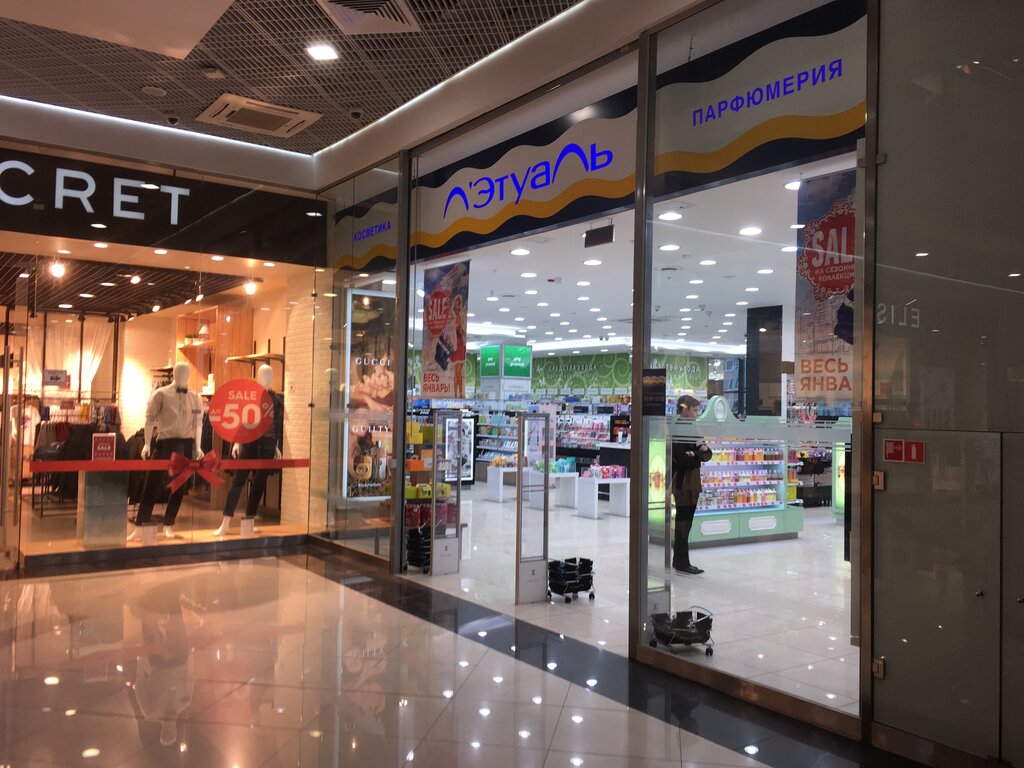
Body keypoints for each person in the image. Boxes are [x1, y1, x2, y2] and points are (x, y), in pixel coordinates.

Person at [671, 395, 711, 575]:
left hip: (693, 481)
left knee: (687, 521)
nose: (697, 414)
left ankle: (680, 560)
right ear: (685, 409)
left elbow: (707, 453)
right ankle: (681, 561)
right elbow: (680, 458)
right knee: (683, 521)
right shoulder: (676, 429)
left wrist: (695, 454)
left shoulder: (694, 428)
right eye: (694, 410)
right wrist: (696, 455)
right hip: (681, 481)